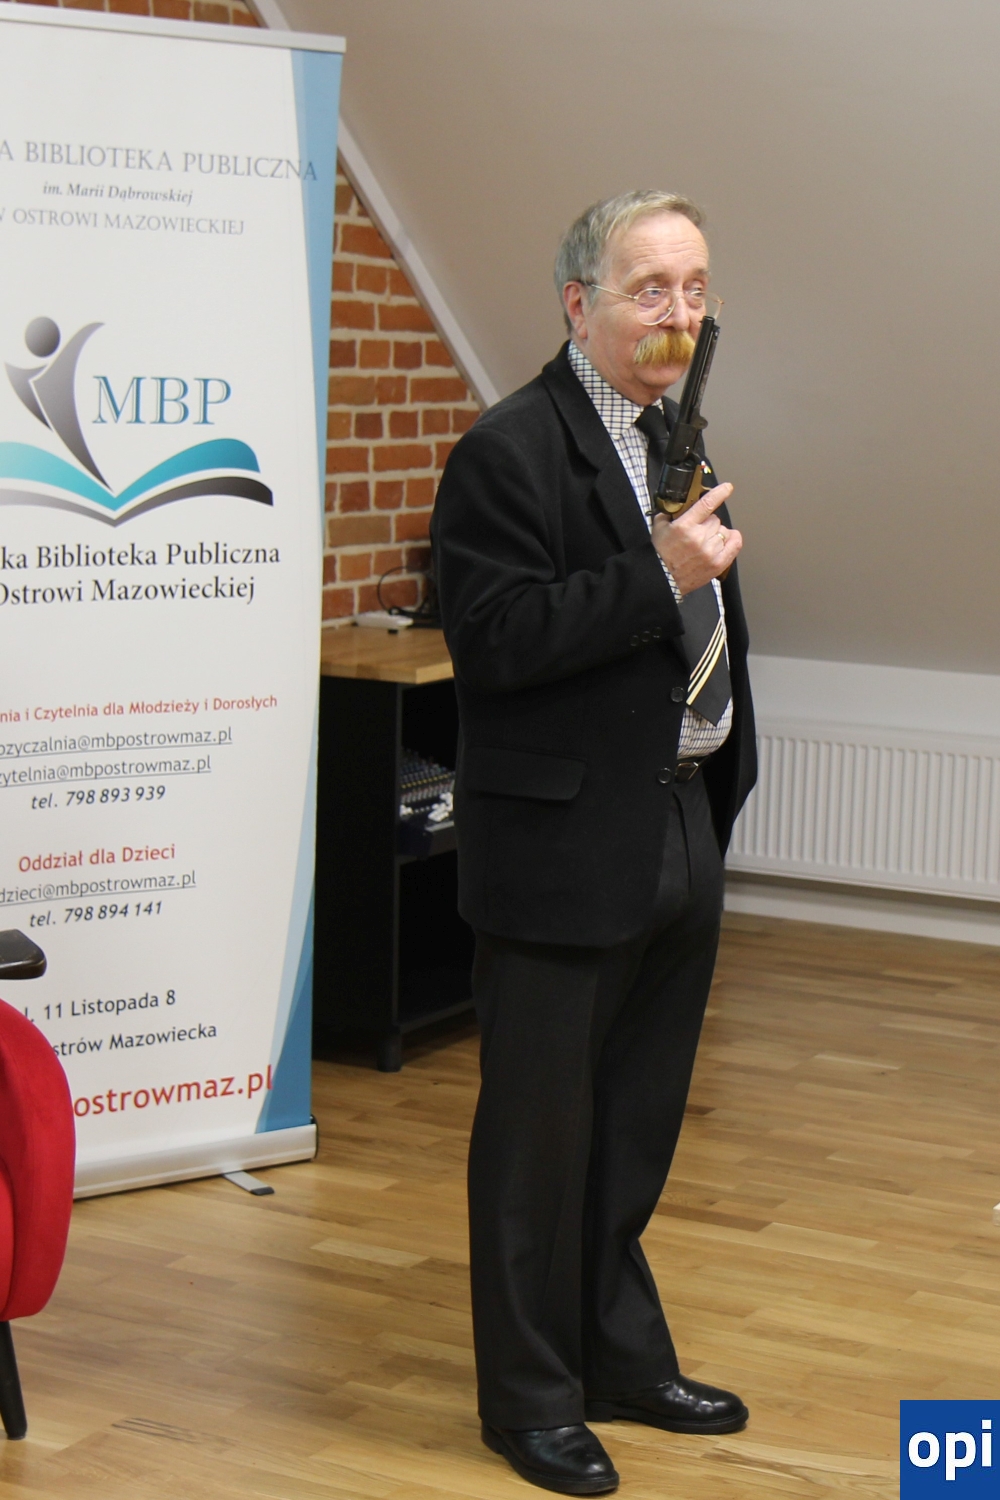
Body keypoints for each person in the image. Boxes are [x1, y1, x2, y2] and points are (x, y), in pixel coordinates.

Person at [431, 190, 757, 1496]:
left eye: (695, 287)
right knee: (537, 1143)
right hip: (561, 847)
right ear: (579, 304)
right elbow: (495, 643)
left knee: (632, 1124)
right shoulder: (507, 450)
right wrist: (661, 572)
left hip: (675, 818)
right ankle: (528, 1401)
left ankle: (617, 1356)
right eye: (649, 288)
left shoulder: (676, 429)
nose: (678, 313)